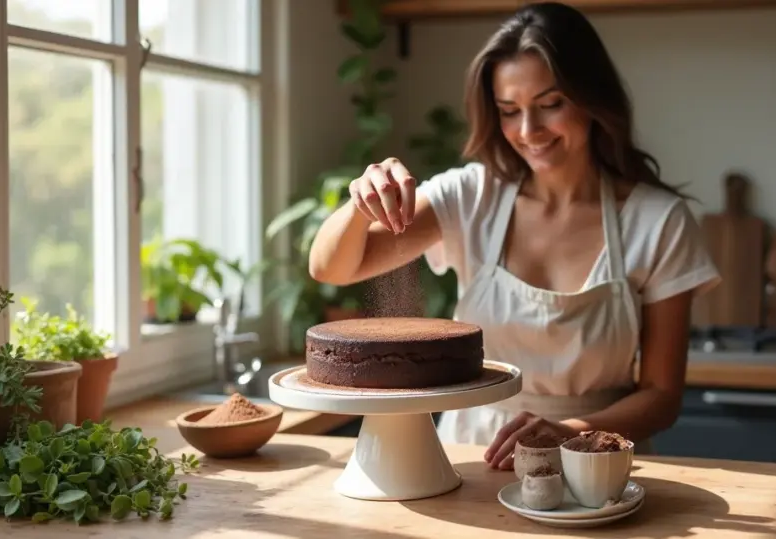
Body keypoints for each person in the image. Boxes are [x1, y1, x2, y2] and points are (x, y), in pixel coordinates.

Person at [308, 1, 719, 470]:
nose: (529, 131)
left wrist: (574, 435)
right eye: (509, 110)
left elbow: (663, 395)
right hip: (474, 454)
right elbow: (331, 268)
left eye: (550, 105)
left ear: (591, 98)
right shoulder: (470, 197)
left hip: (599, 463)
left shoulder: (659, 221)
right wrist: (360, 202)